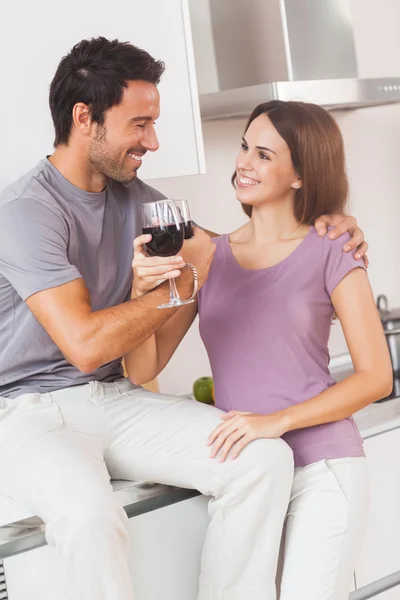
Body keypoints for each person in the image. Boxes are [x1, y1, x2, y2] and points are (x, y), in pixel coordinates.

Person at [0, 36, 368, 600]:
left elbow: (239, 254)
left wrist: (325, 225)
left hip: (115, 399)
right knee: (87, 516)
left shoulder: (143, 201)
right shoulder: (27, 211)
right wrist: (173, 291)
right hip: (30, 410)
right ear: (85, 118)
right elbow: (84, 346)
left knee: (262, 459)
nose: (153, 140)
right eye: (140, 123)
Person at [128, 100, 392, 600]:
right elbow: (146, 365)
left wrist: (276, 421)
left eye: (265, 154)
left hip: (323, 470)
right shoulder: (206, 254)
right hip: (248, 477)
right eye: (245, 146)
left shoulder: (332, 247)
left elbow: (376, 376)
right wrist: (141, 295)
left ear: (300, 174)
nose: (244, 162)